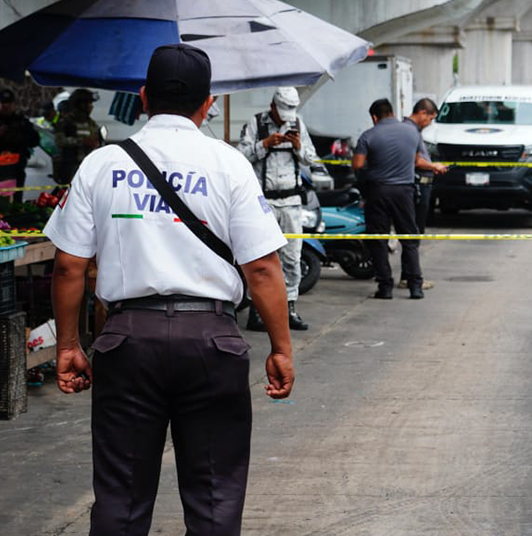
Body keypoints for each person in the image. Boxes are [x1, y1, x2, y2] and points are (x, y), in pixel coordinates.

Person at [43, 44, 294, 535]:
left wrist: (70, 345)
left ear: (142, 98)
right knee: (215, 497)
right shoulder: (229, 165)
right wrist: (281, 348)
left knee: (121, 496)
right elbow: (263, 269)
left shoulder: (101, 163)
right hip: (212, 343)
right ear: (207, 105)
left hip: (127, 342)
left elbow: (70, 266)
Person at [237, 86, 318, 332]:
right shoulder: (255, 124)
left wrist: (297, 148)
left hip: (292, 201)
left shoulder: (298, 125)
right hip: (265, 202)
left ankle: (289, 308)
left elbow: (312, 159)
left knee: (292, 257)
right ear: (273, 106)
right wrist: (264, 144)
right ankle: (256, 311)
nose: (285, 117)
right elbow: (240, 156)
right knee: (260, 257)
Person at [352, 98, 445, 299]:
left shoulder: (368, 135)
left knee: (378, 240)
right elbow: (417, 160)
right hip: (404, 192)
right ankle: (415, 286)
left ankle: (385, 287)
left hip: (378, 192)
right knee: (409, 239)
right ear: (392, 113)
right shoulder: (412, 132)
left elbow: (358, 165)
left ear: (375, 117)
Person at [397, 98, 447, 290]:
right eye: (430, 118)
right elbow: (415, 161)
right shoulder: (410, 131)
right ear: (422, 113)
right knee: (413, 233)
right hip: (417, 186)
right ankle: (410, 278)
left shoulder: (412, 131)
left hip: (421, 185)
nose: (430, 123)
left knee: (414, 233)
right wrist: (433, 165)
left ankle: (408, 275)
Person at [0, 88, 40, 202]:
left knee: (15, 202)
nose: (5, 106)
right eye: (2, 102)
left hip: (16, 170)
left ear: (14, 104)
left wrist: (18, 136)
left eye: (9, 103)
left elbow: (35, 140)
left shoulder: (21, 121)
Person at [54, 88, 102, 184]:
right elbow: (59, 141)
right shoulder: (66, 122)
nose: (91, 107)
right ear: (81, 104)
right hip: (71, 166)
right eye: (89, 103)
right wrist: (82, 141)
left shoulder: (91, 123)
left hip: (89, 165)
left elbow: (97, 140)